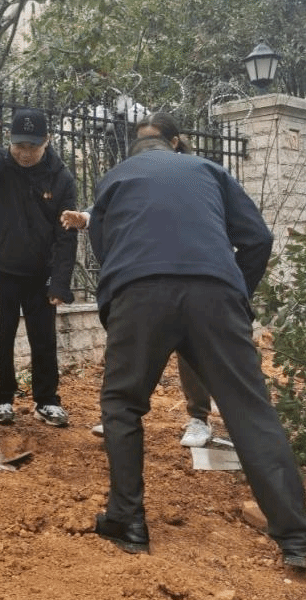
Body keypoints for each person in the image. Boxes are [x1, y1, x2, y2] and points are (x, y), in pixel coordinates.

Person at [61, 130, 306, 569]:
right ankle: (298, 540)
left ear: (134, 154)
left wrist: (119, 300)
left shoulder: (117, 177)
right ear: (174, 148)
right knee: (250, 410)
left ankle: (127, 522)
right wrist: (236, 294)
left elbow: (104, 246)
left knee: (123, 405)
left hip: (140, 293)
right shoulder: (209, 170)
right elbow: (258, 238)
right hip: (215, 294)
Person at [89, 112, 216, 448]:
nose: (146, 147)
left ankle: (199, 418)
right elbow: (114, 213)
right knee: (135, 351)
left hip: (189, 270)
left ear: (173, 142)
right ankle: (120, 417)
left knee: (192, 354)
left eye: (153, 139)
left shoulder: (196, 173)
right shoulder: (130, 172)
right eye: (141, 140)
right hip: (145, 276)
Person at [0, 109, 78, 427]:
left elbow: (66, 235)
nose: (25, 153)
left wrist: (60, 282)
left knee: (43, 339)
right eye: (19, 146)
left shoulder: (61, 178)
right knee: (1, 338)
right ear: (9, 141)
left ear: (47, 141)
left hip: (41, 272)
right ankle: (1, 399)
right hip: (2, 270)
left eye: (33, 146)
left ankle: (47, 401)